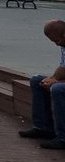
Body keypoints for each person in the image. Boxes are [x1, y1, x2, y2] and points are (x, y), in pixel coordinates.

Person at [18, 20, 65, 150]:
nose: (56, 44)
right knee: (37, 81)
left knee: (57, 89)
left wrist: (56, 81)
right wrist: (52, 78)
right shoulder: (64, 43)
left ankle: (63, 138)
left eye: (57, 40)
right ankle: (43, 128)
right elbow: (62, 67)